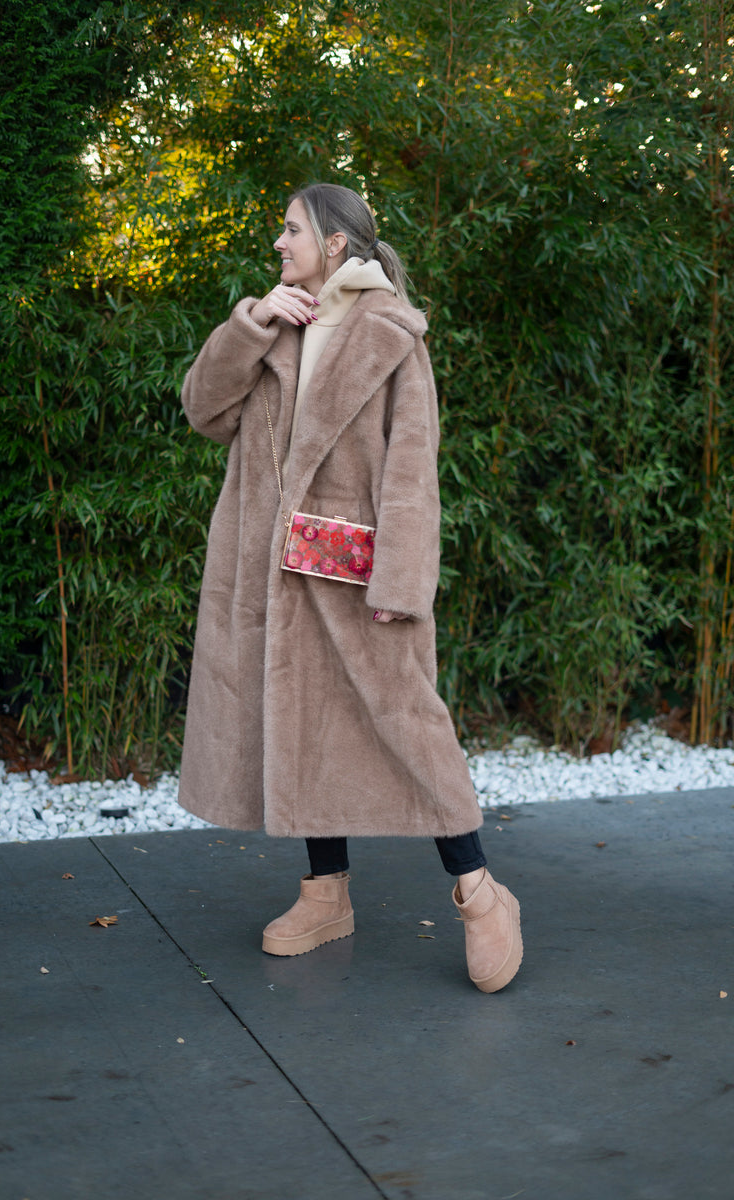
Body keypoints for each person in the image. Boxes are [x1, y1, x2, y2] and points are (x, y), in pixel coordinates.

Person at [178, 182, 523, 993]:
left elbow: (413, 470)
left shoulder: (392, 335)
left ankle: (480, 893)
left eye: (291, 228)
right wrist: (251, 325)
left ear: (335, 242)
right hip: (272, 568)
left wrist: (404, 580)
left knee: (409, 724)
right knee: (301, 724)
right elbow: (202, 410)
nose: (278, 242)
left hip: (358, 572)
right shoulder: (276, 323)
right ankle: (324, 893)